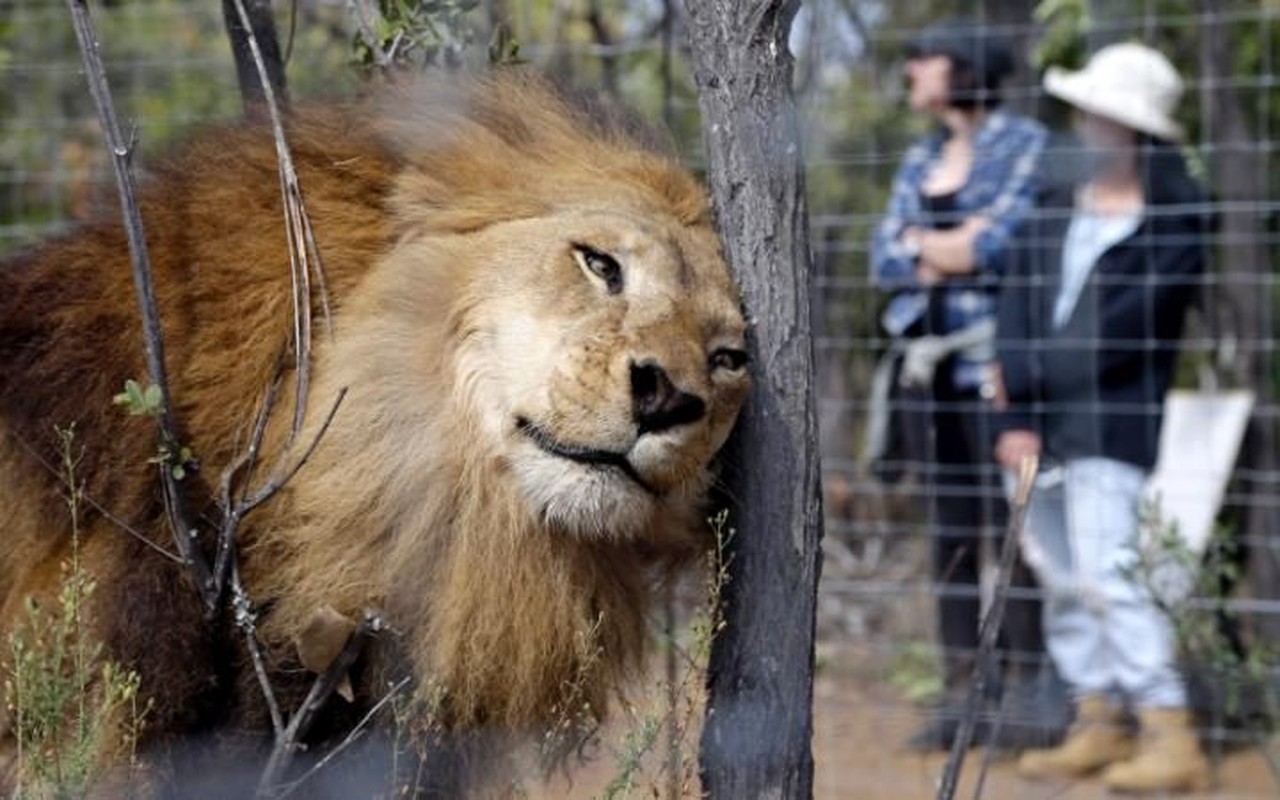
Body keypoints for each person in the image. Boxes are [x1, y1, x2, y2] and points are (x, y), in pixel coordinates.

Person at [994, 42, 1211, 793]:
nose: (1085, 123)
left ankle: (1168, 726)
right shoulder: (1050, 211)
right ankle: (1098, 721)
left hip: (1112, 427)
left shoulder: (1178, 224)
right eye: (1085, 108)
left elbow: (1117, 335)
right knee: (1058, 575)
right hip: (1032, 426)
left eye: (1101, 112)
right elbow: (1013, 309)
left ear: (1133, 129)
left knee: (1109, 576)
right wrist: (1015, 413)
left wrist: (1016, 379)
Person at [870, 19, 1065, 751]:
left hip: (1000, 375)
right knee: (950, 531)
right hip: (929, 376)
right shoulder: (920, 157)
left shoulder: (1027, 146)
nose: (913, 71)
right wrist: (937, 247)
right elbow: (881, 256)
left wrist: (929, 245)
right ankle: (961, 695)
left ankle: (1027, 692)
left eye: (926, 59)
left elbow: (1005, 241)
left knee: (1013, 530)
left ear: (966, 69)